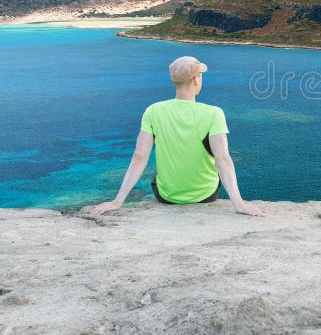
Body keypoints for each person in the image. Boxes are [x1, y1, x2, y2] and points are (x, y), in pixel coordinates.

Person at [88, 56, 266, 217]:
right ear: (196, 79)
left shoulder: (153, 111)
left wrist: (117, 201)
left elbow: (139, 157)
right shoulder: (214, 113)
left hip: (167, 196)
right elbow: (223, 160)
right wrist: (239, 204)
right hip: (205, 195)